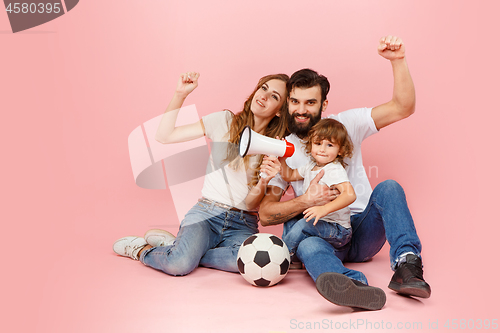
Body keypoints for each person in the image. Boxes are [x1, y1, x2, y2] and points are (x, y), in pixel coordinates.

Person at [259, 36, 431, 311]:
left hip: (361, 231)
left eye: (310, 102)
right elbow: (266, 215)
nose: (301, 110)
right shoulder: (283, 149)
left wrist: (397, 61)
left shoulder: (345, 124)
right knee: (309, 247)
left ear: (324, 105)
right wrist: (307, 201)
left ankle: (407, 266)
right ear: (287, 104)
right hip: (322, 234)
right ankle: (354, 286)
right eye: (295, 102)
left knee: (389, 187)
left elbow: (403, 107)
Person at [113, 71, 289, 276]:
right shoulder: (224, 121)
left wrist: (265, 180)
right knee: (179, 264)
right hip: (206, 213)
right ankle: (143, 250)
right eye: (264, 88)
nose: (264, 96)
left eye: (274, 96)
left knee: (246, 263)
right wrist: (180, 94)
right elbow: (164, 136)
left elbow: (250, 205)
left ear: (279, 111)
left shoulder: (276, 148)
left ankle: (182, 248)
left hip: (243, 223)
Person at [278, 118, 356, 261]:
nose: (322, 149)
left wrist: (323, 209)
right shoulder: (310, 166)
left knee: (304, 223)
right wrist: (282, 159)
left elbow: (350, 195)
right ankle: (292, 259)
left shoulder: (333, 169)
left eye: (329, 145)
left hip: (338, 230)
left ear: (341, 150)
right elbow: (288, 175)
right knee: (291, 217)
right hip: (321, 223)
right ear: (311, 145)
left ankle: (280, 257)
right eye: (318, 143)